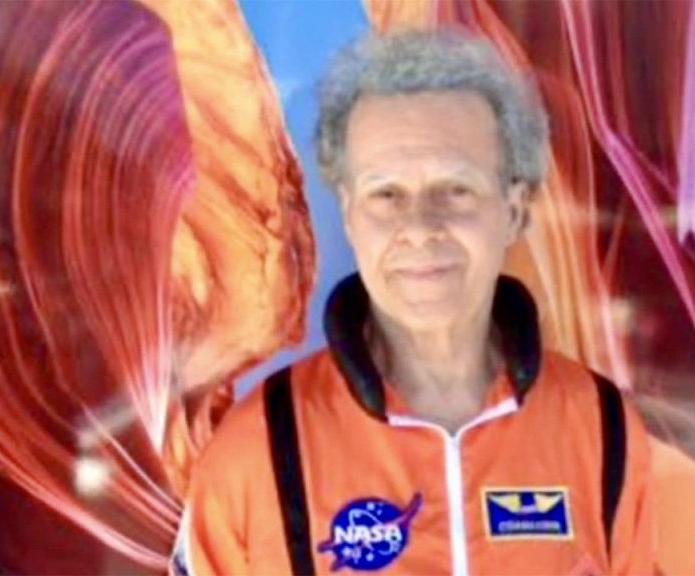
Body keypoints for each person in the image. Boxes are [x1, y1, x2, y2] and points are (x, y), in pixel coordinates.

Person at [171, 30, 654, 575]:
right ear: (350, 216)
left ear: (515, 210)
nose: (420, 227)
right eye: (386, 194)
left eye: (455, 190)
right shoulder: (255, 448)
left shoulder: (601, 427)